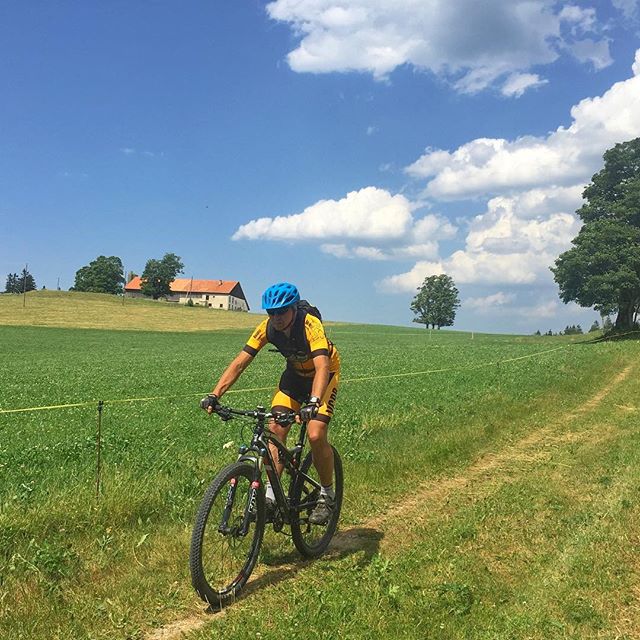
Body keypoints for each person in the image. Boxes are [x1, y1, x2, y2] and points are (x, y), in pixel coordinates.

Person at [201, 282, 340, 525]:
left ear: (294, 309)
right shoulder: (267, 328)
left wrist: (314, 403)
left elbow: (322, 366)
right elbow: (240, 362)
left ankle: (327, 494)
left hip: (324, 376)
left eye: (281, 311)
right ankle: (271, 496)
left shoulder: (310, 324)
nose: (275, 317)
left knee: (316, 435)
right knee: (275, 430)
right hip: (294, 378)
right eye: (270, 312)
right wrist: (215, 394)